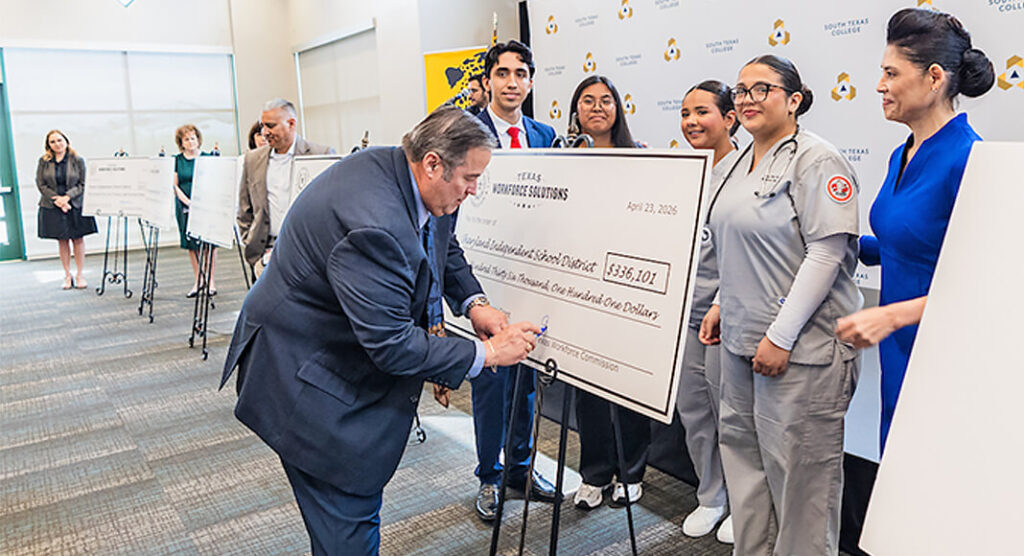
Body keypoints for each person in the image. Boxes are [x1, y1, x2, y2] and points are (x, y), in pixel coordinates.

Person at [220, 106, 542, 555]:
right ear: (433, 163)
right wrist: (487, 354)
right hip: (307, 380)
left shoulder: (404, 172)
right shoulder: (374, 223)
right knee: (348, 523)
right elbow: (392, 344)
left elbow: (441, 243)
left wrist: (474, 303)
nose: (474, 190)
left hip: (326, 349)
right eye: (470, 178)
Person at [700, 55, 862, 555]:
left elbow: (826, 254)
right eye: (741, 90)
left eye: (761, 89)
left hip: (800, 351)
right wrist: (722, 302)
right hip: (739, 342)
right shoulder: (738, 161)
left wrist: (780, 335)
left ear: (793, 100)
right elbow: (735, 240)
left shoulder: (817, 160)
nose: (747, 99)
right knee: (747, 474)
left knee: (801, 487)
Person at [836, 8, 994, 451]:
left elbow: (984, 286)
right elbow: (905, 245)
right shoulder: (901, 153)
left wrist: (890, 316)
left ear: (934, 77)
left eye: (891, 73)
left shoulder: (969, 159)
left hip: (943, 352)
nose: (879, 85)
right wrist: (832, 244)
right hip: (899, 348)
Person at [463, 39, 558, 522]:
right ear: (487, 81)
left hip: (534, 277)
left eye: (521, 73)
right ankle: (489, 475)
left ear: (531, 81)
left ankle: (520, 469)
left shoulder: (545, 134)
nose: (512, 82)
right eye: (502, 73)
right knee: (491, 382)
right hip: (486, 278)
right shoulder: (465, 131)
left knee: (526, 380)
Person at [563, 75, 652, 511]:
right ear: (575, 109)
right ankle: (594, 474)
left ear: (618, 108)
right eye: (587, 100)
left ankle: (631, 472)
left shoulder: (641, 157)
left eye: (606, 100)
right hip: (581, 290)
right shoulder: (562, 159)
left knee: (628, 385)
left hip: (627, 289)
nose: (597, 107)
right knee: (589, 391)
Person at [675, 80, 738, 543]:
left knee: (731, 416)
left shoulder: (746, 172)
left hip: (726, 316)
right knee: (694, 410)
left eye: (702, 112)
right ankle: (711, 496)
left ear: (730, 118)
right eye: (685, 113)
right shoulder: (682, 172)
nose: (692, 122)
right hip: (682, 317)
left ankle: (743, 501)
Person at [237, 98, 334, 277]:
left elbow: (331, 208)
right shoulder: (253, 159)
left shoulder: (321, 155)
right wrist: (250, 241)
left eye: (271, 126)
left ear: (291, 123)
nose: (265, 132)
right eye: (263, 126)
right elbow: (245, 207)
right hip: (264, 253)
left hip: (307, 252)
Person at [35, 129, 96, 290]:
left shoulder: (77, 159)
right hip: (53, 205)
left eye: (59, 140)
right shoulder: (44, 161)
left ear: (66, 141)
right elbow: (41, 184)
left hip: (75, 205)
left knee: (78, 239)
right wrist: (58, 200)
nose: (57, 144)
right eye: (52, 142)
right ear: (48, 145)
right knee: (62, 240)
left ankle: (80, 275)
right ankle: (67, 275)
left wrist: (67, 198)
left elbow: (83, 183)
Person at [172, 124, 215, 297]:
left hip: (206, 206)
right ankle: (199, 280)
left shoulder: (207, 158)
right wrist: (188, 202)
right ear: (181, 143)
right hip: (185, 206)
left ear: (198, 140)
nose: (190, 142)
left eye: (193, 138)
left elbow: (214, 181)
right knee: (192, 245)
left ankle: (211, 281)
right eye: (186, 139)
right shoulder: (177, 160)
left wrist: (202, 202)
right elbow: (175, 185)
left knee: (209, 244)